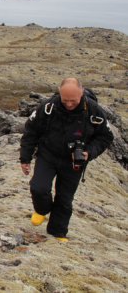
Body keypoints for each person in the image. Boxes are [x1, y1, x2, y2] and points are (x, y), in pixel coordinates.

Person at [20, 78, 113, 242]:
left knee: (64, 198)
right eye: (65, 100)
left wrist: (88, 153)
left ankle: (58, 233)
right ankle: (42, 210)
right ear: (59, 93)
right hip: (47, 155)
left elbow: (105, 137)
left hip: (74, 162)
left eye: (73, 101)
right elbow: (31, 131)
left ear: (82, 93)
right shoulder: (48, 107)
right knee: (38, 188)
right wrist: (25, 158)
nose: (69, 104)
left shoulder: (94, 112)